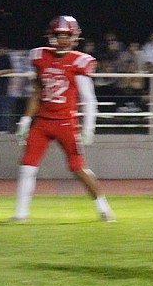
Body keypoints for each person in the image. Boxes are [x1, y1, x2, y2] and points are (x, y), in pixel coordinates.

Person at [13, 16, 114, 222]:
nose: (62, 40)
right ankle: (20, 213)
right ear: (51, 36)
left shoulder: (79, 61)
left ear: (74, 37)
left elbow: (89, 99)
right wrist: (25, 120)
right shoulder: (40, 57)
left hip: (66, 123)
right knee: (27, 166)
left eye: (66, 36)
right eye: (59, 36)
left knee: (78, 168)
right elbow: (36, 92)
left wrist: (89, 128)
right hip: (41, 121)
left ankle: (103, 208)